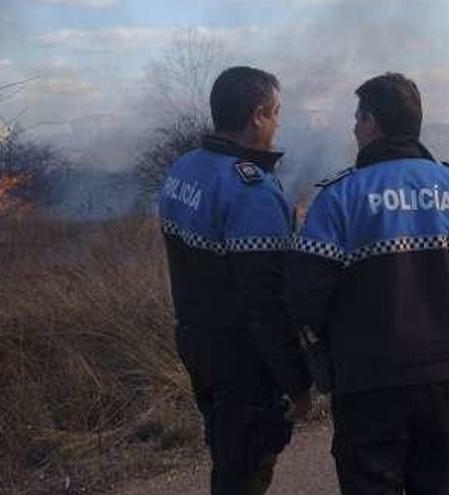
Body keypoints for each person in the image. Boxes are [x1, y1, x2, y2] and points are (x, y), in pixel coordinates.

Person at [288, 72, 449, 494]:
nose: (354, 129)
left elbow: (307, 296)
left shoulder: (339, 197)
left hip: (366, 382)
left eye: (357, 119)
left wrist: (314, 357)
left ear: (373, 123)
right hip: (443, 379)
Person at [158, 66, 311, 495]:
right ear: (257, 115)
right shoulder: (250, 190)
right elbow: (265, 301)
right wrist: (296, 382)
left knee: (227, 454)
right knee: (246, 468)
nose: (279, 122)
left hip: (195, 341)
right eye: (276, 112)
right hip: (243, 358)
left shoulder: (184, 169)